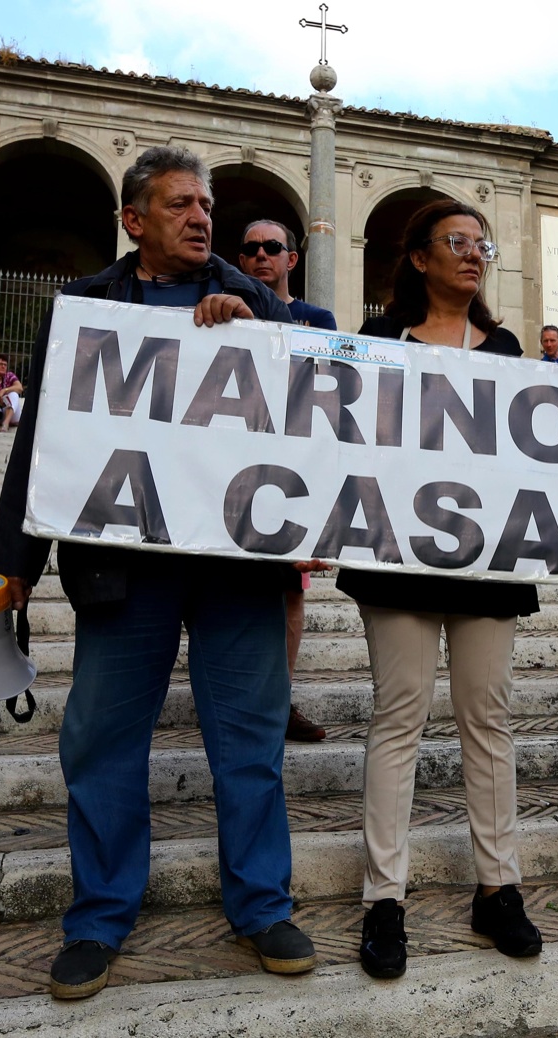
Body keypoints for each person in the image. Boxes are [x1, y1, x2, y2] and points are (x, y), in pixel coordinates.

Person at [0, 146, 317, 1000]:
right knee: (99, 745)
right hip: (120, 572)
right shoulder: (85, 308)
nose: (201, 217)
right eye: (179, 204)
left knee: (250, 744)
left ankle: (262, 904)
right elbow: (41, 441)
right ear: (134, 220)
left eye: (205, 203)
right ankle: (98, 918)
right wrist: (14, 564)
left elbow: (312, 421)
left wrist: (249, 318)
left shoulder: (257, 302)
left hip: (233, 571)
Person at [340, 198, 558, 980]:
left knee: (487, 720)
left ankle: (499, 887)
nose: (473, 254)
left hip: (486, 560)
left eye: (480, 243)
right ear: (418, 258)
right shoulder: (380, 340)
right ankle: (383, 898)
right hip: (399, 553)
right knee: (399, 719)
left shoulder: (512, 348)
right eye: (456, 242)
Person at [238, 218, 332, 742]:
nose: (260, 256)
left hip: (290, 464)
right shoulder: (227, 309)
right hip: (233, 460)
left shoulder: (315, 318)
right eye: (250, 249)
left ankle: (279, 701)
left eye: (272, 247)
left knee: (290, 593)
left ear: (292, 259)